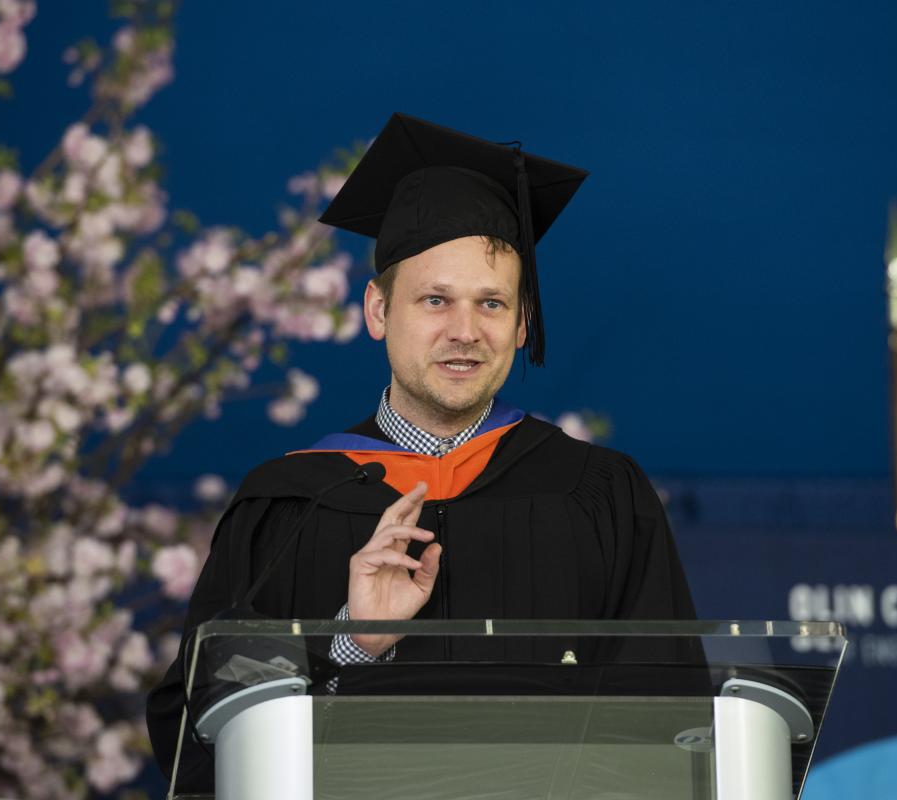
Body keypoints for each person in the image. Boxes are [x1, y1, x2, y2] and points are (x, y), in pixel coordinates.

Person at [146, 113, 698, 792]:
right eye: (435, 300)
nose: (465, 332)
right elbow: (204, 740)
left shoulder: (599, 494)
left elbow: (670, 725)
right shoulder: (289, 506)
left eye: (492, 304)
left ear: (523, 322)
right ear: (378, 311)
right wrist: (355, 641)